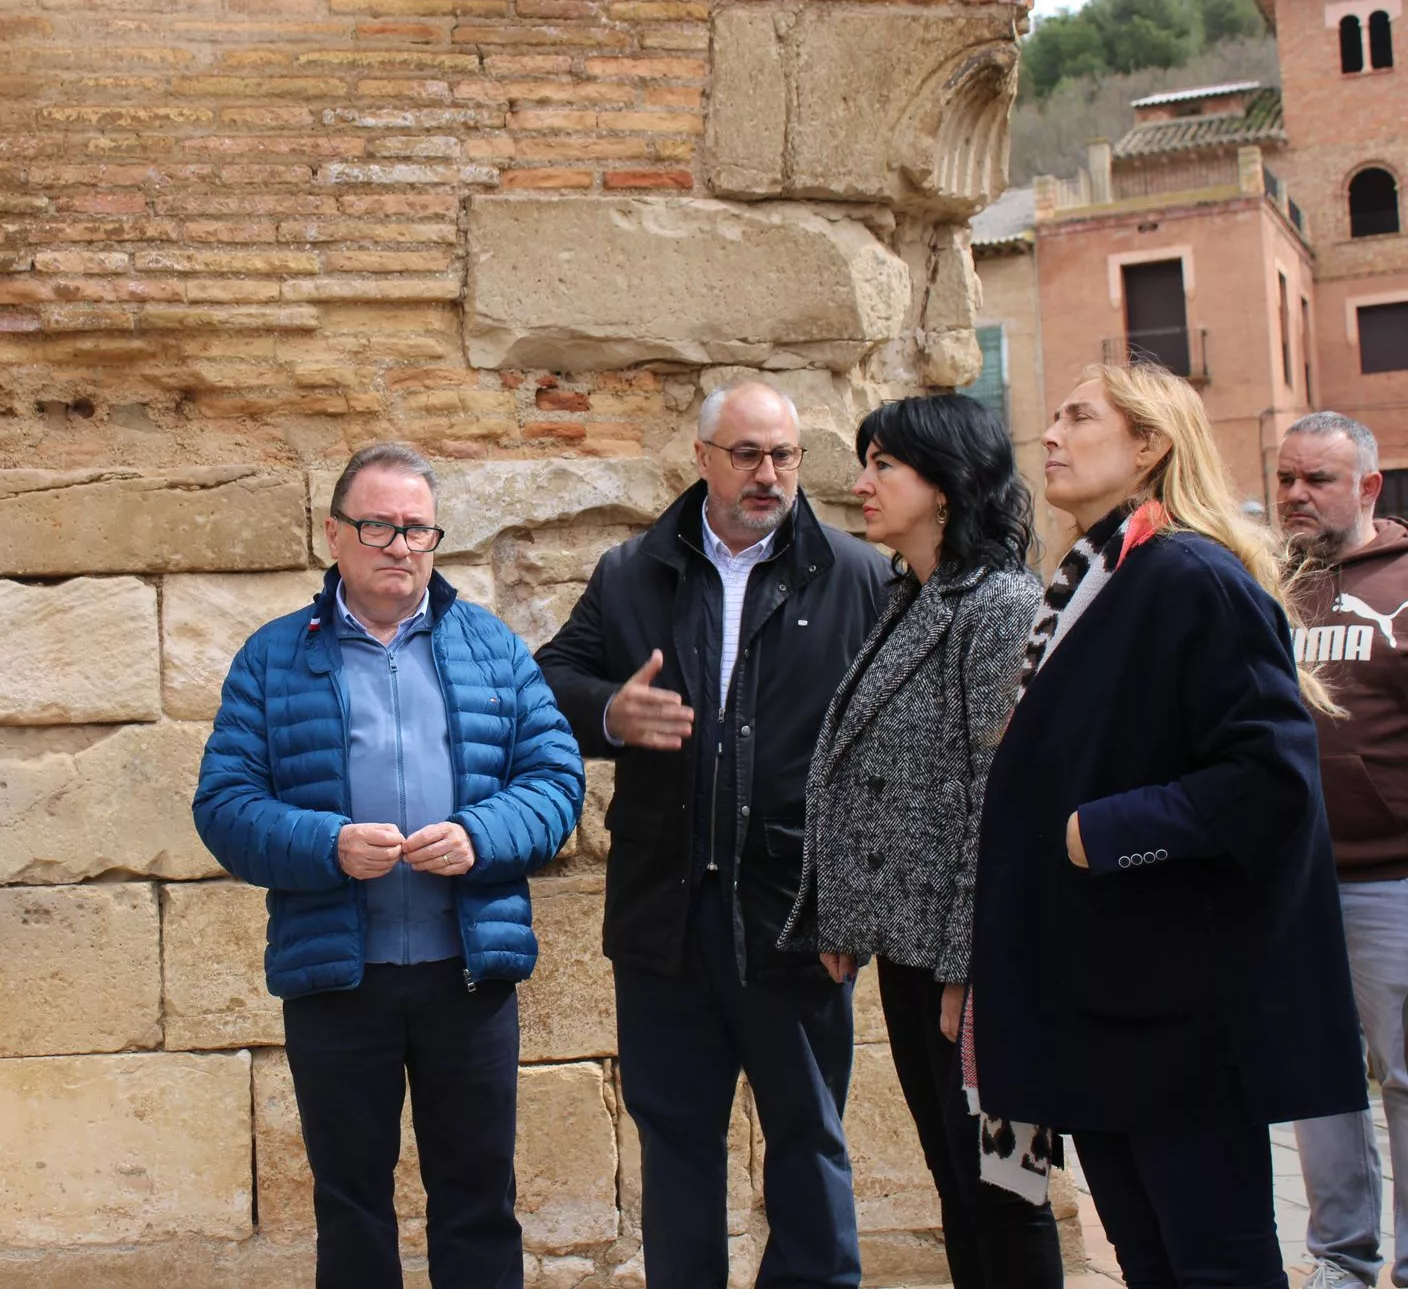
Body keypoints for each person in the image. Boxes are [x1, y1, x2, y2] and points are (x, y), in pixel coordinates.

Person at [971, 363, 1366, 1287]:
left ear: (1149, 445)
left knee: (1215, 1262)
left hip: (1178, 1007)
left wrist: (1103, 831)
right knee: (1149, 1258)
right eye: (1053, 416)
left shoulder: (1190, 575)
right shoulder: (1096, 578)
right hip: (1102, 996)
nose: (1050, 435)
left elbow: (1270, 777)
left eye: (1080, 417)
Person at [193, 443, 583, 1289]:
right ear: (333, 533)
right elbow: (224, 805)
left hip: (468, 973)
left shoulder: (492, 647)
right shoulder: (273, 657)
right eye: (377, 526)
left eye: (416, 528)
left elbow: (556, 780)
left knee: (479, 1199)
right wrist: (327, 843)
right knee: (351, 1205)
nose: (399, 545)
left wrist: (480, 834)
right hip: (338, 976)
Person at [536, 381, 891, 1288]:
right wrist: (609, 710)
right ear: (702, 459)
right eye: (747, 454)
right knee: (676, 1141)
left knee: (808, 1137)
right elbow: (547, 682)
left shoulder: (858, 576)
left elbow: (894, 758)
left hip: (795, 915)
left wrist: (856, 899)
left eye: (785, 455)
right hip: (666, 916)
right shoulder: (633, 571)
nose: (768, 474)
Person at [779, 394, 1062, 1288]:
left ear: (945, 485)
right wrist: (841, 910)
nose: (862, 483)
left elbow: (998, 799)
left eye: (884, 466)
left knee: (1005, 1195)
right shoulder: (913, 596)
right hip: (914, 950)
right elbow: (870, 771)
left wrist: (969, 969)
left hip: (974, 958)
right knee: (959, 1186)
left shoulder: (1001, 605)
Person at [1276, 411, 1408, 1289]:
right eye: (1285, 477)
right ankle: (1339, 1257)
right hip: (1291, 880)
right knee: (1318, 1078)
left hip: (1394, 878)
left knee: (1405, 1075)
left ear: (1367, 487)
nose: (1295, 494)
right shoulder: (1265, 584)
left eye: (1317, 479)